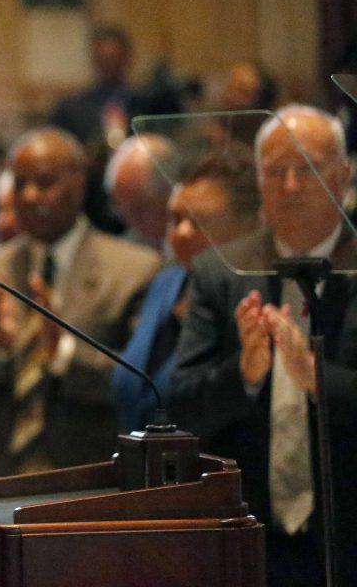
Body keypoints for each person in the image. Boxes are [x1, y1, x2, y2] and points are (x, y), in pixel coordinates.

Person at [172, 105, 357, 585]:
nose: (291, 186)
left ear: (343, 177)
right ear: (258, 182)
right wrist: (245, 376)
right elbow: (182, 407)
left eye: (309, 169)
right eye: (276, 172)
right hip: (250, 539)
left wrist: (317, 376)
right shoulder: (221, 272)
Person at [0, 127, 161, 477]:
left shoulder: (134, 270)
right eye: (19, 183)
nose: (28, 196)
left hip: (90, 477)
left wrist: (64, 353)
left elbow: (142, 385)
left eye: (44, 183)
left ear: (80, 184)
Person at [112, 151, 258, 432]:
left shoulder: (249, 297)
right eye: (175, 219)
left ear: (248, 226)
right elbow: (133, 385)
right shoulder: (164, 283)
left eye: (199, 222)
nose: (181, 234)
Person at [103, 134, 175, 251]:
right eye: (120, 210)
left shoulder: (205, 241)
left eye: (138, 209)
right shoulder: (128, 249)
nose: (129, 222)